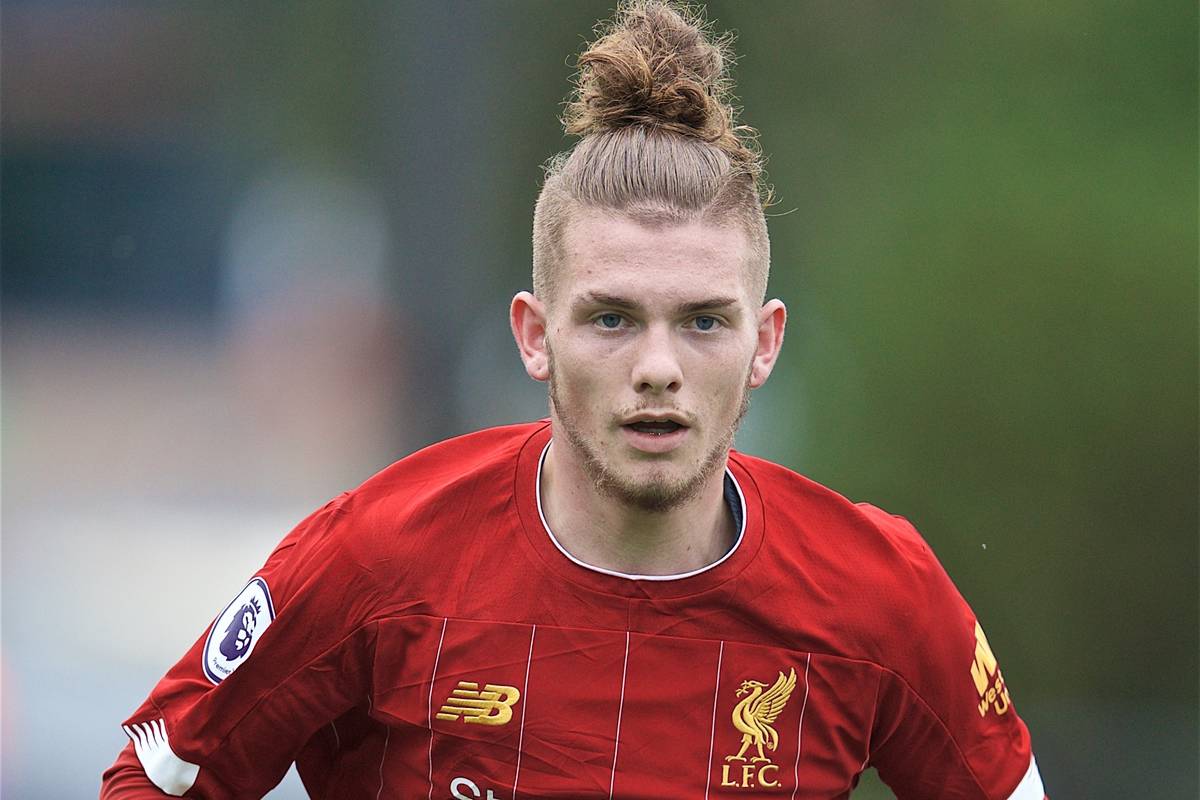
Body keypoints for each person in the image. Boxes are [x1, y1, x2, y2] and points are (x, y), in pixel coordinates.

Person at [101, 2, 1047, 798]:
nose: (658, 367)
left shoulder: (877, 591)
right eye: (610, 320)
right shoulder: (380, 556)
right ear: (533, 336)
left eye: (705, 323)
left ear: (765, 344)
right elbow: (152, 777)